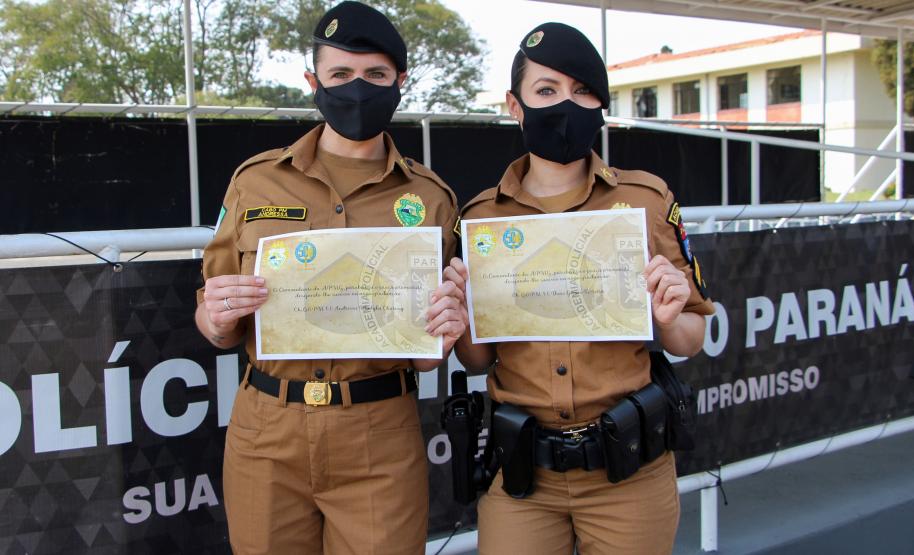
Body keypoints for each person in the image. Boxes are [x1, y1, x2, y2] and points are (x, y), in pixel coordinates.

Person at [195, 2, 466, 553]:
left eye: (376, 75)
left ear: (400, 83)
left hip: (379, 432)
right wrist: (217, 316)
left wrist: (444, 331)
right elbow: (212, 317)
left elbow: (429, 347)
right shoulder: (255, 182)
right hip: (267, 432)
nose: (357, 88)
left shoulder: (432, 199)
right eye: (341, 74)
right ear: (312, 81)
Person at [448, 22, 714, 555]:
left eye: (582, 91)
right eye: (546, 90)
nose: (565, 104)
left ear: (600, 106)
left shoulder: (645, 199)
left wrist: (668, 315)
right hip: (523, 477)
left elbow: (691, 337)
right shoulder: (480, 217)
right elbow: (476, 359)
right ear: (514, 105)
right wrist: (459, 320)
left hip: (627, 472)